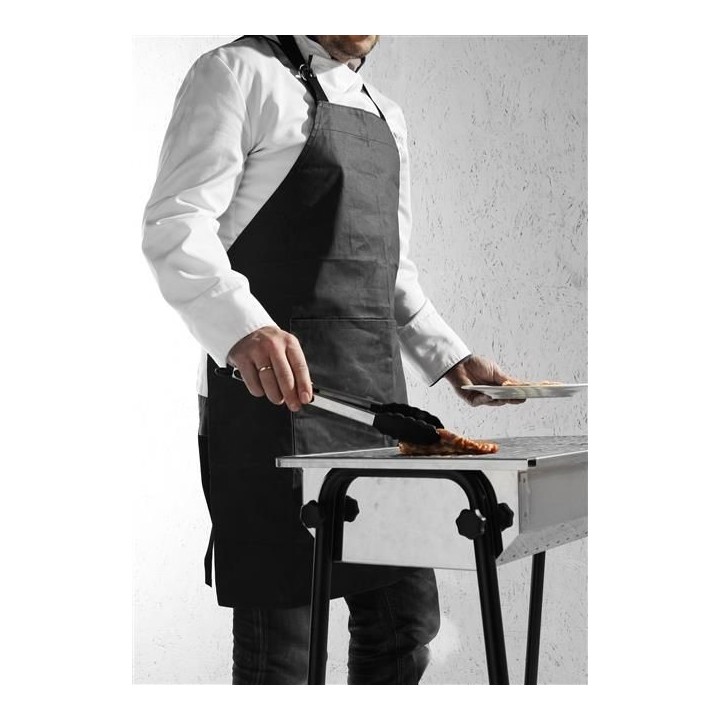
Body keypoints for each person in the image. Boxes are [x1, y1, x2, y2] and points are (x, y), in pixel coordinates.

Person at [142, 34, 520, 685]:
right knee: (284, 651)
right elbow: (176, 225)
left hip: (378, 412)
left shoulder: (385, 115)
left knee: (405, 627)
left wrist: (451, 356)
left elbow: (389, 270)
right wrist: (243, 328)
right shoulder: (237, 73)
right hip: (269, 405)